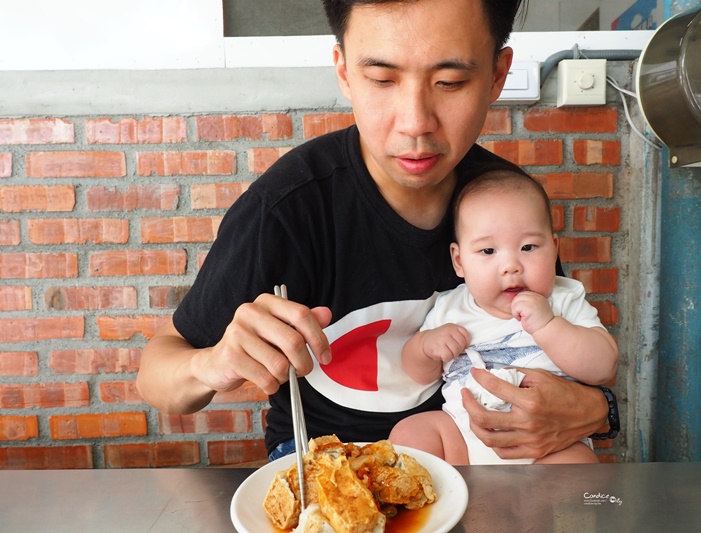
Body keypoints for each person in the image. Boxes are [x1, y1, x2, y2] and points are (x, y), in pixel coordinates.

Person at [136, 0, 614, 462]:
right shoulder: (287, 207)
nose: (414, 124)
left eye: (450, 82)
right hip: (324, 459)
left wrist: (597, 411)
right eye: (382, 79)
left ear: (496, 75)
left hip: (477, 454)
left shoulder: (506, 208)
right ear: (343, 70)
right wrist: (213, 363)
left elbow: (562, 356)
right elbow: (159, 374)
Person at [389, 167, 618, 465]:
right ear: (459, 262)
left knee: (580, 464)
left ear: (554, 250)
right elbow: (416, 373)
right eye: (487, 251)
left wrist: (549, 325)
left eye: (528, 247)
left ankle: (534, 510)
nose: (510, 265)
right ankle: (448, 502)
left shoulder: (562, 299)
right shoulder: (450, 307)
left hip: (550, 448)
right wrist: (425, 347)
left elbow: (604, 366)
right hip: (462, 441)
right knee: (410, 433)